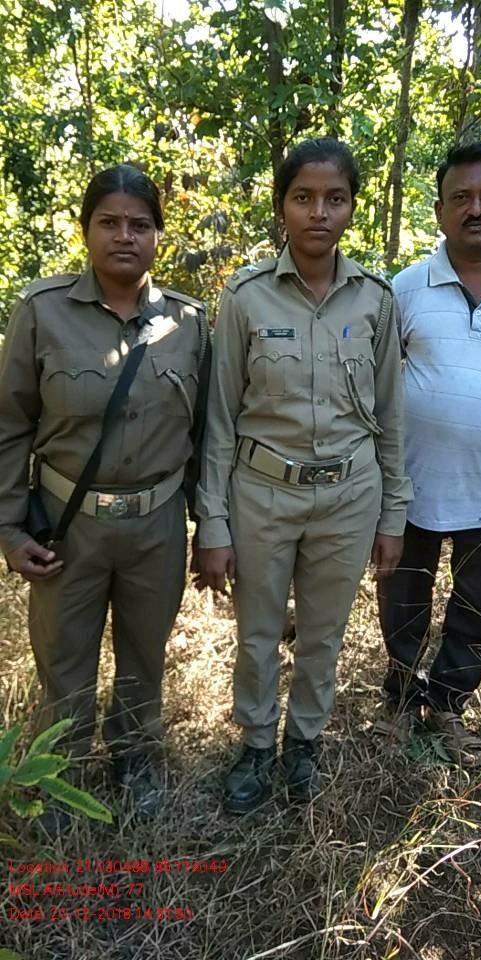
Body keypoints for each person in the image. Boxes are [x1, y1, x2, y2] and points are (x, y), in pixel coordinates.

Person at [195, 137, 412, 813]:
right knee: (258, 633)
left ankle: (303, 745)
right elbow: (220, 418)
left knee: (323, 634)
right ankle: (257, 745)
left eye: (335, 198)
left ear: (351, 207)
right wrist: (213, 522)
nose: (319, 212)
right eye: (303, 197)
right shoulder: (246, 297)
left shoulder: (375, 300)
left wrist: (393, 513)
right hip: (262, 493)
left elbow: (390, 414)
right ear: (281, 206)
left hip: (349, 496)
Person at [0, 164, 210, 817]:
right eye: (109, 222)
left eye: (140, 224)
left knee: (144, 658)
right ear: (86, 230)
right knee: (64, 664)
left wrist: (212, 528)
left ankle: (135, 764)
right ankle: (57, 780)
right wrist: (9, 529)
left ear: (159, 235)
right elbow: (9, 425)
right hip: (68, 525)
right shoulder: (43, 312)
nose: (125, 236)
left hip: (157, 525)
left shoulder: (189, 322)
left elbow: (206, 434)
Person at [377, 142, 481, 765]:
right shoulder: (406, 288)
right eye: (462, 197)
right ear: (440, 209)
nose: (477, 209)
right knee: (402, 603)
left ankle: (446, 705)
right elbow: (375, 386)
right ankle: (400, 699)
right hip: (413, 487)